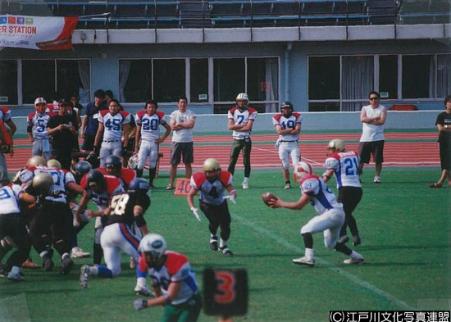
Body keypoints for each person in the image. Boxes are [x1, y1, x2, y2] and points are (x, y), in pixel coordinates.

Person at [266, 161, 364, 266]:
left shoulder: (309, 181)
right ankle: (357, 257)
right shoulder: (313, 180)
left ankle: (309, 258)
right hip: (336, 214)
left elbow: (299, 205)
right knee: (331, 244)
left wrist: (281, 203)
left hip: (332, 213)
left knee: (305, 230)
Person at [79, 178, 150, 293]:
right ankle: (141, 285)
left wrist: (95, 214)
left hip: (106, 232)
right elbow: (137, 213)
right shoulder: (141, 196)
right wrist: (147, 234)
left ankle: (89, 270)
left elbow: (106, 213)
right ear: (142, 189)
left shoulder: (118, 195)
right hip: (120, 229)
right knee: (145, 254)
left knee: (113, 270)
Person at [132, 233, 202, 322]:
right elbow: (155, 282)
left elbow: (171, 296)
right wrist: (156, 293)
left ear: (156, 254)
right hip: (172, 303)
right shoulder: (146, 261)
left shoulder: (177, 263)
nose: (143, 257)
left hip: (189, 301)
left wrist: (146, 303)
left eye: (146, 254)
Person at [187, 158, 237, 256]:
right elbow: (190, 195)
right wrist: (192, 208)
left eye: (213, 172)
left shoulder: (224, 176)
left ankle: (223, 246)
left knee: (226, 224)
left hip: (221, 203)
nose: (211, 174)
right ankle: (213, 236)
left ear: (218, 170)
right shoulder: (199, 179)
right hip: (206, 204)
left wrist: (233, 194)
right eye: (209, 172)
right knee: (215, 221)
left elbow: (231, 189)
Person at [322, 139, 362, 246]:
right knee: (347, 213)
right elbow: (359, 171)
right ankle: (355, 236)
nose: (329, 151)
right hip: (358, 189)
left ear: (338, 149)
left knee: (341, 213)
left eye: (331, 149)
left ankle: (342, 236)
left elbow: (329, 174)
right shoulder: (355, 154)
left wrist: (320, 182)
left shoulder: (335, 158)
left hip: (345, 189)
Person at [0, 182, 38, 281]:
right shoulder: (13, 186)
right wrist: (37, 198)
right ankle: (13, 270)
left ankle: (9, 268)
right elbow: (25, 198)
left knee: (6, 244)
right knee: (25, 247)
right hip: (13, 217)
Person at [134, 100, 171, 187]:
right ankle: (138, 181)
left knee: (153, 163)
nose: (151, 109)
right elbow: (138, 131)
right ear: (146, 108)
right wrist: (136, 145)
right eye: (149, 107)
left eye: (153, 107)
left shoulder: (158, 116)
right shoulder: (141, 116)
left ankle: (151, 182)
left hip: (154, 142)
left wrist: (162, 138)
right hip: (144, 141)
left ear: (156, 109)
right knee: (140, 163)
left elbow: (168, 128)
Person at [227, 93, 257, 189]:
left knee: (246, 161)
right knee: (232, 161)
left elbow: (248, 128)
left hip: (246, 140)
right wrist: (242, 126)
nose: (241, 103)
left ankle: (245, 181)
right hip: (236, 139)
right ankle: (229, 180)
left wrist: (236, 127)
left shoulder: (252, 111)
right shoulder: (232, 111)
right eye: (239, 101)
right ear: (237, 101)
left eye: (243, 101)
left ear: (247, 102)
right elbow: (230, 127)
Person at [167, 96, 196, 190]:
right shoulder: (174, 114)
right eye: (181, 102)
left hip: (188, 141)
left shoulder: (191, 113)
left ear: (186, 104)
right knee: (173, 164)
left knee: (188, 164)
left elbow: (191, 125)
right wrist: (184, 125)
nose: (182, 104)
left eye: (184, 102)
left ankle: (187, 184)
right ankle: (171, 183)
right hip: (176, 141)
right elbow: (172, 127)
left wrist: (179, 124)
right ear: (178, 104)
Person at [359, 91, 387, 183]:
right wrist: (375, 118)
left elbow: (382, 121)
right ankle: (357, 177)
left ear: (378, 99)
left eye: (375, 98)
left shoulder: (382, 109)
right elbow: (362, 119)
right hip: (365, 138)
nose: (373, 100)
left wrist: (368, 120)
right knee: (361, 160)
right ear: (369, 100)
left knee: (378, 160)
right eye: (371, 99)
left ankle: (377, 177)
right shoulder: (365, 108)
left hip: (378, 138)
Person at [272, 101, 302, 189]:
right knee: (285, 165)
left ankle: (301, 182)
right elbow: (279, 132)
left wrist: (285, 131)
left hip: (294, 144)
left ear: (291, 109)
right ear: (281, 109)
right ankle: (287, 183)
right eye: (284, 109)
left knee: (296, 164)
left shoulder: (297, 116)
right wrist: (291, 129)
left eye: (288, 108)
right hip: (283, 144)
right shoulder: (277, 117)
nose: (286, 110)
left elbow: (297, 131)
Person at [93, 99, 131, 167]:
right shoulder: (103, 114)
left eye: (115, 106)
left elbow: (126, 133)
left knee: (115, 165)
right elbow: (100, 130)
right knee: (102, 164)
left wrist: (125, 146)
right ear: (108, 107)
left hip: (116, 144)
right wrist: (95, 145)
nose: (113, 108)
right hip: (105, 143)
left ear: (118, 107)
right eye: (111, 106)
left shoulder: (123, 116)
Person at [47, 100, 79, 170]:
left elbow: (76, 133)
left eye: (65, 106)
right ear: (59, 107)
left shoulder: (71, 118)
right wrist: (57, 128)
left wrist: (72, 130)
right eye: (62, 106)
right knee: (56, 166)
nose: (64, 108)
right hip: (57, 147)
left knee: (67, 167)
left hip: (68, 147)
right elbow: (48, 132)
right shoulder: (53, 118)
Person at [430, 95, 451, 188]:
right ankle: (449, 181)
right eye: (449, 102)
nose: (450, 104)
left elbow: (443, 127)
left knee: (448, 161)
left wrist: (445, 127)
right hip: (443, 141)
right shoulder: (441, 115)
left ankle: (440, 182)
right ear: (445, 104)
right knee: (444, 161)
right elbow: (440, 128)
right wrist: (448, 127)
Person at [0, 103, 16, 183]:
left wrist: (5, 141)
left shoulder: (3, 110)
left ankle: (4, 181)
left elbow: (11, 128)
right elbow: (12, 128)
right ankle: (4, 182)